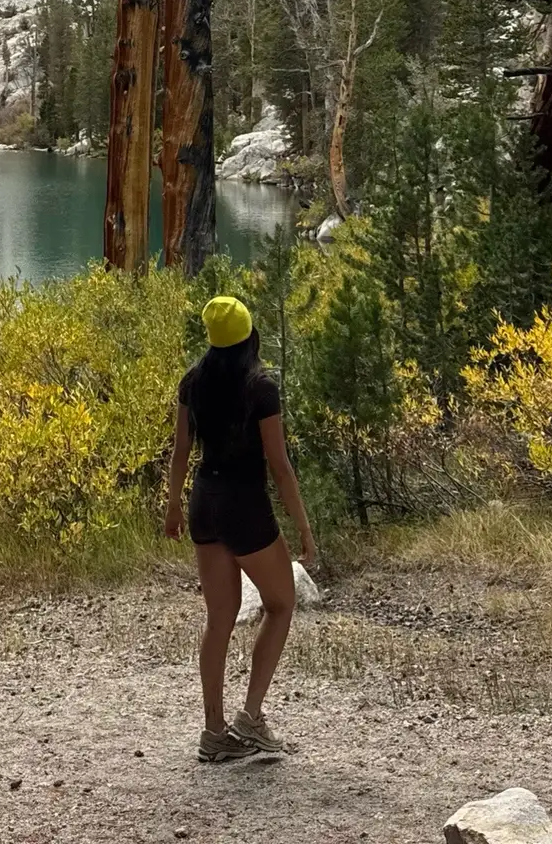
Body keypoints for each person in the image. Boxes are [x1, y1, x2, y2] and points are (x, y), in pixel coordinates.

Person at [164, 294, 317, 762]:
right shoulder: (260, 387)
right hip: (244, 506)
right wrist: (304, 530)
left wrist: (172, 509)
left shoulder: (194, 381)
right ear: (250, 335)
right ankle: (250, 718)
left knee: (220, 619)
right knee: (282, 603)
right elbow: (280, 466)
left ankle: (214, 732)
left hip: (204, 504)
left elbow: (180, 452)